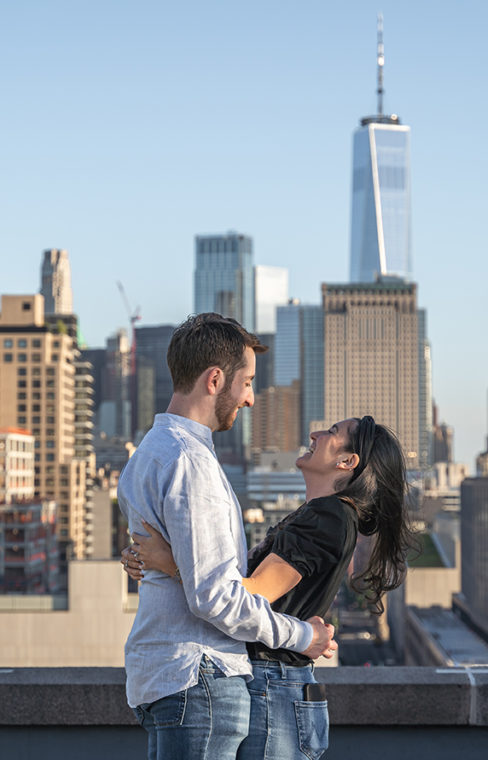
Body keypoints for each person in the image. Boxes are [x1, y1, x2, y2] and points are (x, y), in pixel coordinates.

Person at [123, 414, 418, 760]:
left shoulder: (329, 517)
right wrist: (154, 557)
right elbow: (230, 577)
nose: (314, 432)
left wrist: (168, 562)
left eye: (332, 432)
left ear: (347, 461)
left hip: (275, 687)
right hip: (275, 686)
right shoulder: (320, 514)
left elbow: (246, 593)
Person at [118, 312, 337, 760]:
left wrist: (163, 562)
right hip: (200, 678)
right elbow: (214, 596)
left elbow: (184, 570)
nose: (252, 399)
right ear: (215, 379)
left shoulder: (146, 454)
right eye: (248, 382)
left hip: (163, 675)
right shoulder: (191, 464)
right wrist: (302, 637)